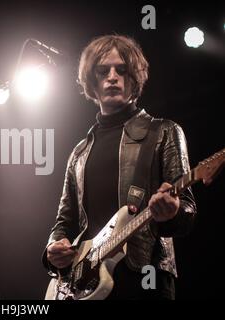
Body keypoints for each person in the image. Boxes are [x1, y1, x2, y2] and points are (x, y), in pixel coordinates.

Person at [43, 35, 196, 300]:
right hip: (85, 286)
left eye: (121, 70)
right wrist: (53, 249)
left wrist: (172, 211)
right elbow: (64, 223)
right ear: (92, 80)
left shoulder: (163, 132)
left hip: (145, 279)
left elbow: (187, 210)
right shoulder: (79, 153)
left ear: (133, 78)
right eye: (103, 71)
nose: (112, 77)